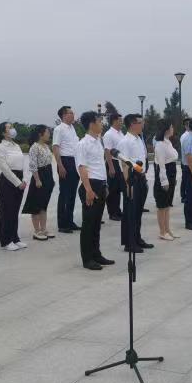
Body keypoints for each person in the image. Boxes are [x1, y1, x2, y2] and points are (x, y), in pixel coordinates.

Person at [76, 111, 115, 270]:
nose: (102, 124)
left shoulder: (99, 141)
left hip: (100, 184)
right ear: (92, 124)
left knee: (97, 223)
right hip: (90, 185)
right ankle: (87, 259)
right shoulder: (83, 144)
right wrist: (88, 190)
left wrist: (105, 185)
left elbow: (99, 165)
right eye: (99, 121)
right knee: (88, 224)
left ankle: (96, 254)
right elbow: (82, 167)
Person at [118, 114, 154, 253]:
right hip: (131, 179)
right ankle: (129, 243)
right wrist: (128, 185)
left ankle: (137, 238)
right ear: (132, 124)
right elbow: (124, 164)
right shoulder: (125, 141)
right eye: (140, 122)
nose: (142, 124)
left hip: (140, 177)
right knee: (130, 212)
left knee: (138, 211)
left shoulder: (139, 139)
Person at [0, 122, 28, 251]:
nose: (13, 129)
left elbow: (23, 163)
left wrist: (24, 179)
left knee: (15, 211)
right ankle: (6, 241)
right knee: (6, 211)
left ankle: (15, 238)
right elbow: (4, 168)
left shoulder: (17, 146)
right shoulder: (0, 147)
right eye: (9, 127)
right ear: (3, 132)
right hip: (8, 181)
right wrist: (17, 182)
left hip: (20, 178)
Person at [22, 125, 56, 239]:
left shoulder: (46, 146)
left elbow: (49, 163)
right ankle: (37, 231)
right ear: (40, 134)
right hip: (39, 176)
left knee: (43, 205)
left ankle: (44, 229)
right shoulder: (34, 147)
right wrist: (37, 179)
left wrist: (51, 179)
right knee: (36, 205)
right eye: (47, 132)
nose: (49, 134)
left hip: (47, 175)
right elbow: (33, 165)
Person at [53, 106, 80, 233]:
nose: (73, 115)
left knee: (72, 194)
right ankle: (62, 224)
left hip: (74, 161)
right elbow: (55, 147)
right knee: (64, 193)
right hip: (65, 161)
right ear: (64, 115)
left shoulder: (72, 128)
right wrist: (60, 165)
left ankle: (70, 221)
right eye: (71, 113)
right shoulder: (59, 129)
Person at [153, 120, 179, 241]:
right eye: (171, 127)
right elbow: (161, 165)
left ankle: (168, 230)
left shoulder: (168, 142)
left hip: (171, 172)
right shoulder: (160, 144)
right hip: (165, 174)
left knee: (167, 205)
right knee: (162, 205)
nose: (173, 129)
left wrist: (173, 179)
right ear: (167, 129)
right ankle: (162, 232)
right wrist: (164, 181)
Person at [102, 112, 124, 221]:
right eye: (120, 120)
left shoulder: (120, 133)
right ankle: (112, 213)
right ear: (114, 121)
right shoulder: (109, 134)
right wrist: (111, 167)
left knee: (118, 188)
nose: (122, 122)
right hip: (113, 162)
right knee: (112, 189)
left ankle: (117, 210)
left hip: (120, 163)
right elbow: (107, 151)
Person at [180, 117, 189, 204]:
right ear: (185, 126)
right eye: (187, 124)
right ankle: (183, 196)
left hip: (190, 162)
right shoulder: (184, 136)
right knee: (185, 179)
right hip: (185, 162)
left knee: (188, 179)